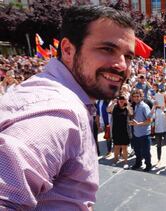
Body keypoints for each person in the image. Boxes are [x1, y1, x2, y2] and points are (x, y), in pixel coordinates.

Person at [0, 5, 135, 209]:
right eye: (107, 49)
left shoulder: (61, 97)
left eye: (129, 56)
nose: (122, 65)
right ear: (68, 50)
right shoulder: (58, 114)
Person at [129, 89, 153, 172]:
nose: (136, 98)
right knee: (137, 151)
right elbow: (137, 119)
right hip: (136, 133)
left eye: (137, 96)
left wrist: (138, 124)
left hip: (144, 134)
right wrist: (132, 122)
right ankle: (138, 163)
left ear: (141, 97)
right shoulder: (135, 106)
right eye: (134, 96)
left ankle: (148, 165)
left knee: (146, 152)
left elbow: (149, 120)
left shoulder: (144, 106)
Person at [107, 95, 133, 169]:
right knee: (116, 147)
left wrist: (127, 104)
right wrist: (113, 103)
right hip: (116, 130)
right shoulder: (114, 107)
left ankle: (125, 162)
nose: (121, 100)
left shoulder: (127, 107)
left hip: (125, 130)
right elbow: (108, 110)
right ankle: (115, 160)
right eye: (120, 99)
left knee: (124, 147)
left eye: (123, 99)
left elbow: (131, 113)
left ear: (125, 100)